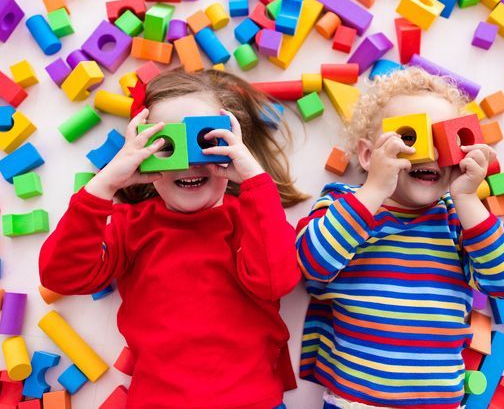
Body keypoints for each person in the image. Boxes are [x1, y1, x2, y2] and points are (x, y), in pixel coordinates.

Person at [39, 68, 307, 408]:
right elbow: (61, 275)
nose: (189, 163)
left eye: (206, 143)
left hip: (252, 400)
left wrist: (254, 179)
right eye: (168, 147)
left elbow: (275, 282)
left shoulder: (253, 217)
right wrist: (104, 185)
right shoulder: (130, 226)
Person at [296, 68, 504, 408]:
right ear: (367, 155)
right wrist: (374, 190)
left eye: (444, 142)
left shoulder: (458, 218)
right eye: (410, 139)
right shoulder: (344, 204)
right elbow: (310, 264)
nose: (430, 154)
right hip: (356, 400)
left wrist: (468, 198)